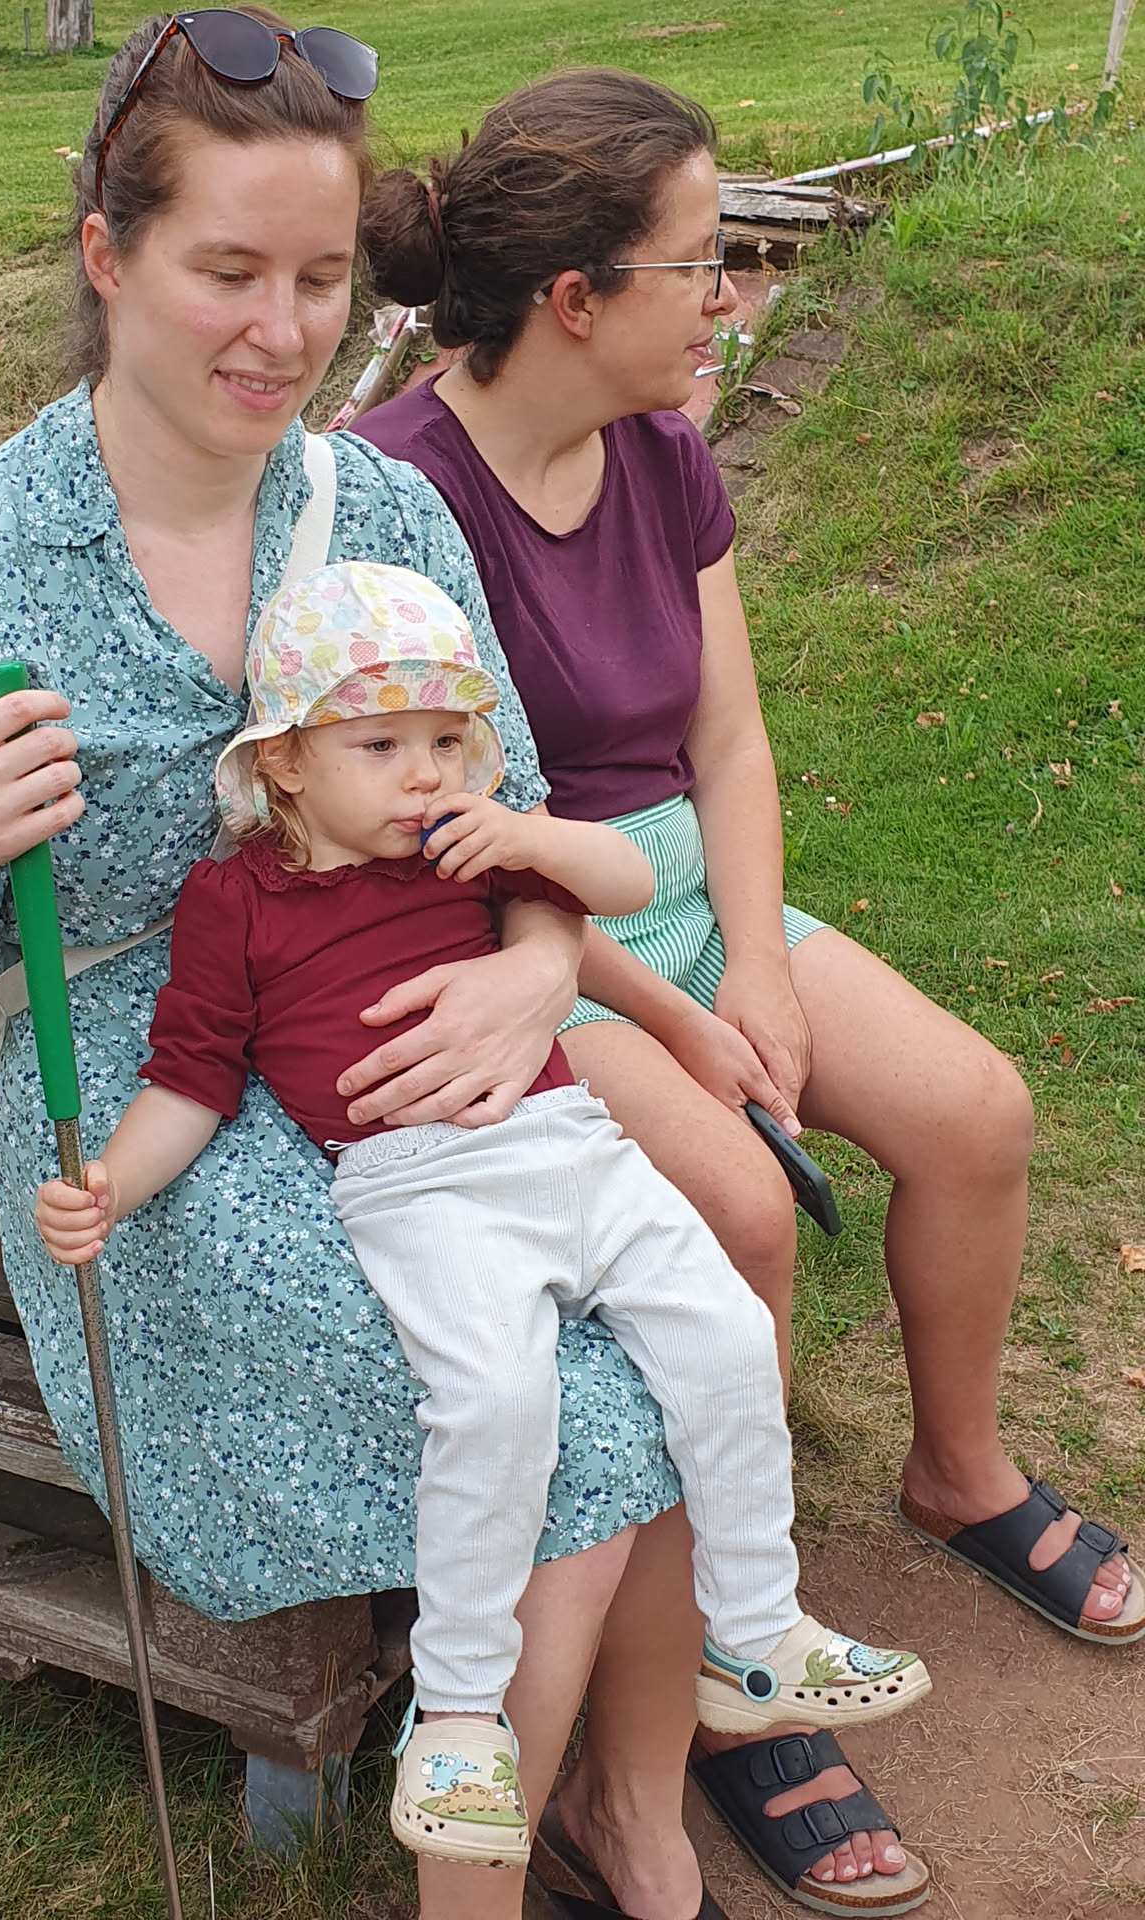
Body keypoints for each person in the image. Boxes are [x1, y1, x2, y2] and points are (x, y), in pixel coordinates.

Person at [0, 15, 762, 1919]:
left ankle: (598, 1805)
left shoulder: (386, 512)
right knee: (589, 1430)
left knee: (676, 1330)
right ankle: (503, 1860)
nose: (282, 332)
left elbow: (506, 820)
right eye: (229, 271)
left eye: (323, 279)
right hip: (145, 1096)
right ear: (107, 252)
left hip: (410, 1037)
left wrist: (537, 968)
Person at [355, 64, 1143, 1914]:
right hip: (530, 942)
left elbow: (729, 736)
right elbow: (428, 837)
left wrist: (766, 966)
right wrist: (677, 1013)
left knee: (976, 1111)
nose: (731, 297)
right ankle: (731, 1670)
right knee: (740, 1216)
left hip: (698, 895)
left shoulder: (664, 450)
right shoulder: (400, 497)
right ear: (577, 297)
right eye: (701, 262)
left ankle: (958, 1473)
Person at [33, 556, 929, 1869]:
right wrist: (111, 1181)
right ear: (283, 763)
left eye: (447, 741)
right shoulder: (238, 900)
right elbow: (192, 1079)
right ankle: (459, 1718)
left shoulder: (473, 850)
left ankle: (756, 1635)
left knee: (729, 1337)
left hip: (573, 1148)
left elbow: (622, 883)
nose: (426, 775)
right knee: (497, 1405)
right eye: (382, 745)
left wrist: (530, 838)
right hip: (417, 1186)